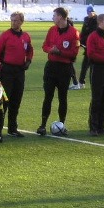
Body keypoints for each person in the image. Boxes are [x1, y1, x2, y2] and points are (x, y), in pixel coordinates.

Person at [36, 7, 80, 136]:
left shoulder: (74, 33)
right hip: (51, 67)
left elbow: (73, 54)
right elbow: (44, 46)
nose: (53, 17)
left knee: (62, 97)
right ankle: (42, 125)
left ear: (60, 16)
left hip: (64, 69)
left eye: (54, 15)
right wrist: (51, 49)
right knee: (48, 96)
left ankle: (61, 124)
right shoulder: (52, 30)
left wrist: (59, 52)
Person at [0, 11, 33, 137]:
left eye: (16, 20)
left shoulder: (26, 36)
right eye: (12, 20)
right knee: (4, 100)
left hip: (19, 72)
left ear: (21, 22)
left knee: (16, 100)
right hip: (6, 72)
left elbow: (30, 50)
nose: (14, 22)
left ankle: (12, 128)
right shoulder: (5, 35)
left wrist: (28, 61)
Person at [73, 4, 98, 89]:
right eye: (89, 12)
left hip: (93, 46)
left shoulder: (97, 20)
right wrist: (81, 41)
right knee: (86, 64)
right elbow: (84, 31)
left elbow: (93, 33)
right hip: (86, 45)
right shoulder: (86, 20)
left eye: (92, 12)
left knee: (89, 64)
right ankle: (82, 82)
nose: (91, 13)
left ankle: (83, 82)